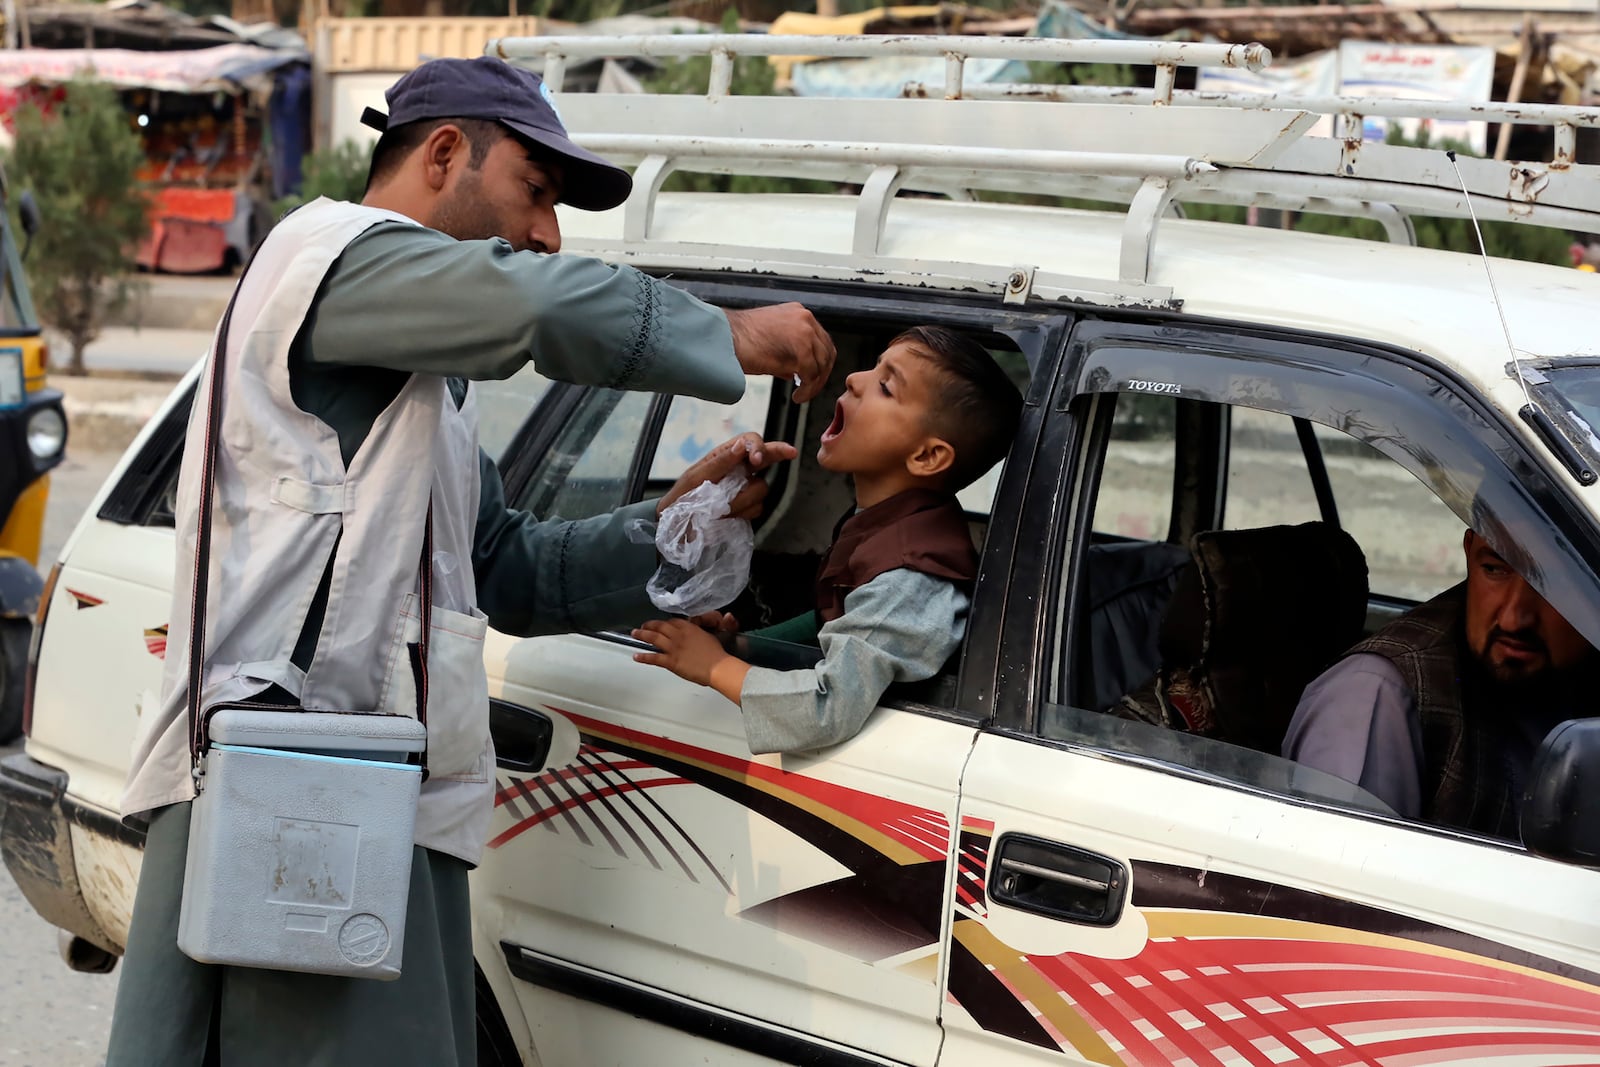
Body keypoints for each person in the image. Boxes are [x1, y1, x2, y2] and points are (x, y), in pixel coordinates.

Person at [107, 56, 835, 1066]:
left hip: (373, 795)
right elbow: (531, 304)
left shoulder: (422, 378)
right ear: (445, 152)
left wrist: (670, 522)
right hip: (294, 788)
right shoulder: (333, 257)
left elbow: (505, 567)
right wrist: (727, 334)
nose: (544, 232)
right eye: (534, 193)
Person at [631, 325, 1022, 753]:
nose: (855, 379)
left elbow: (828, 706)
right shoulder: (884, 524)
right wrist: (738, 644)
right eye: (873, 368)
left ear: (927, 456)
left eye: (886, 387)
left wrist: (716, 667)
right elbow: (829, 622)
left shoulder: (908, 579)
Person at [1283, 527, 1599, 837]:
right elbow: (1344, 877)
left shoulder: (1569, 678)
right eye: (1493, 569)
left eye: (1554, 583)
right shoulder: (1373, 695)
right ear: (1469, 550)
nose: (1513, 619)